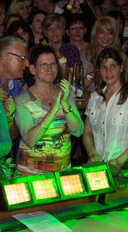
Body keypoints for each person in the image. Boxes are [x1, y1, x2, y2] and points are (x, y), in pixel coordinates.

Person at [14, 45, 83, 175]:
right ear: (33, 69)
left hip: (62, 172)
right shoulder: (23, 99)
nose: (49, 69)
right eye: (44, 65)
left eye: (53, 64)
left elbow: (78, 131)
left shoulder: (64, 93)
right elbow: (30, 140)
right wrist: (54, 110)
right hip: (31, 174)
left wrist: (65, 105)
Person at [82, 48, 128, 171]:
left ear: (121, 67)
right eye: (104, 67)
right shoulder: (95, 97)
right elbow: (87, 133)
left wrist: (119, 161)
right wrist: (92, 154)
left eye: (113, 66)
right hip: (99, 168)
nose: (108, 71)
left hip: (126, 169)